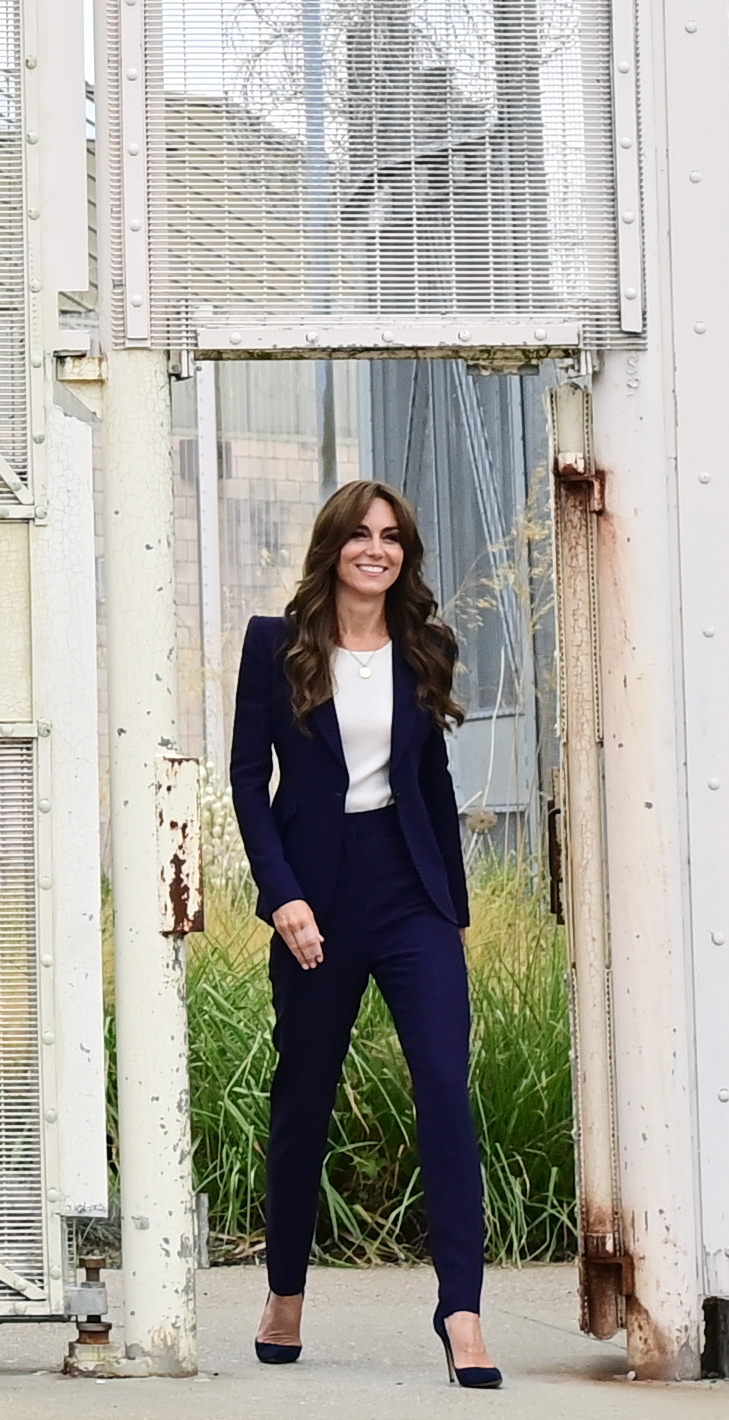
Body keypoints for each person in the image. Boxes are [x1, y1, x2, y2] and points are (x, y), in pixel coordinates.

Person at [229, 479, 493, 1387]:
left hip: (409, 889)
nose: (375, 550)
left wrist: (453, 916)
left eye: (391, 538)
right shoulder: (277, 644)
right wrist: (283, 897)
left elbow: (435, 786)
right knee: (304, 1093)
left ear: (404, 553)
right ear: (333, 546)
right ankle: (286, 1292)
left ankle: (462, 1311)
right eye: (360, 535)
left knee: (446, 1091)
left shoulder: (427, 647)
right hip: (318, 892)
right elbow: (244, 781)